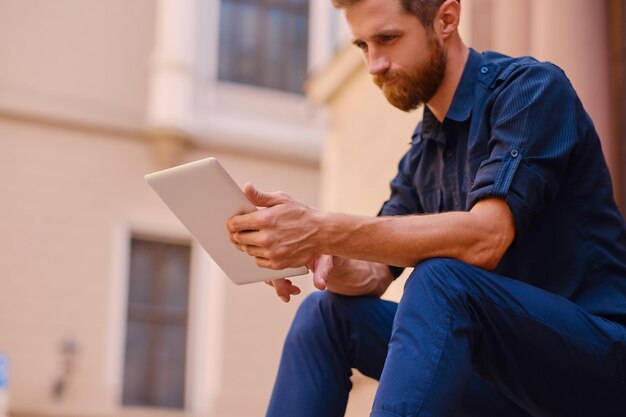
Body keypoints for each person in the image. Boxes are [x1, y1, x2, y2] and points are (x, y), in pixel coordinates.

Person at [226, 0, 626, 415]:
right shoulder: (422, 155)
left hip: (597, 368)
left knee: (441, 279)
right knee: (324, 314)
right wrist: (311, 252)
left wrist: (321, 227)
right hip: (504, 382)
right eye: (363, 46)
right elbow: (373, 273)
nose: (374, 65)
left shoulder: (531, 90)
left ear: (447, 19)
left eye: (387, 39)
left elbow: (487, 238)